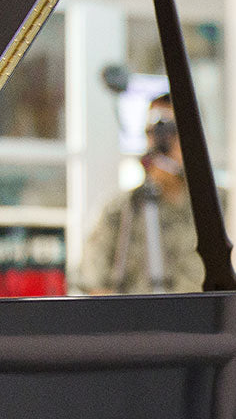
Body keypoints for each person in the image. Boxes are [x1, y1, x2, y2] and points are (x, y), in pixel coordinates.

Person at [77, 94, 206, 294]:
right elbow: (93, 282)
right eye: (156, 131)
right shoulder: (120, 211)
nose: (164, 142)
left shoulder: (217, 208)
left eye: (174, 132)